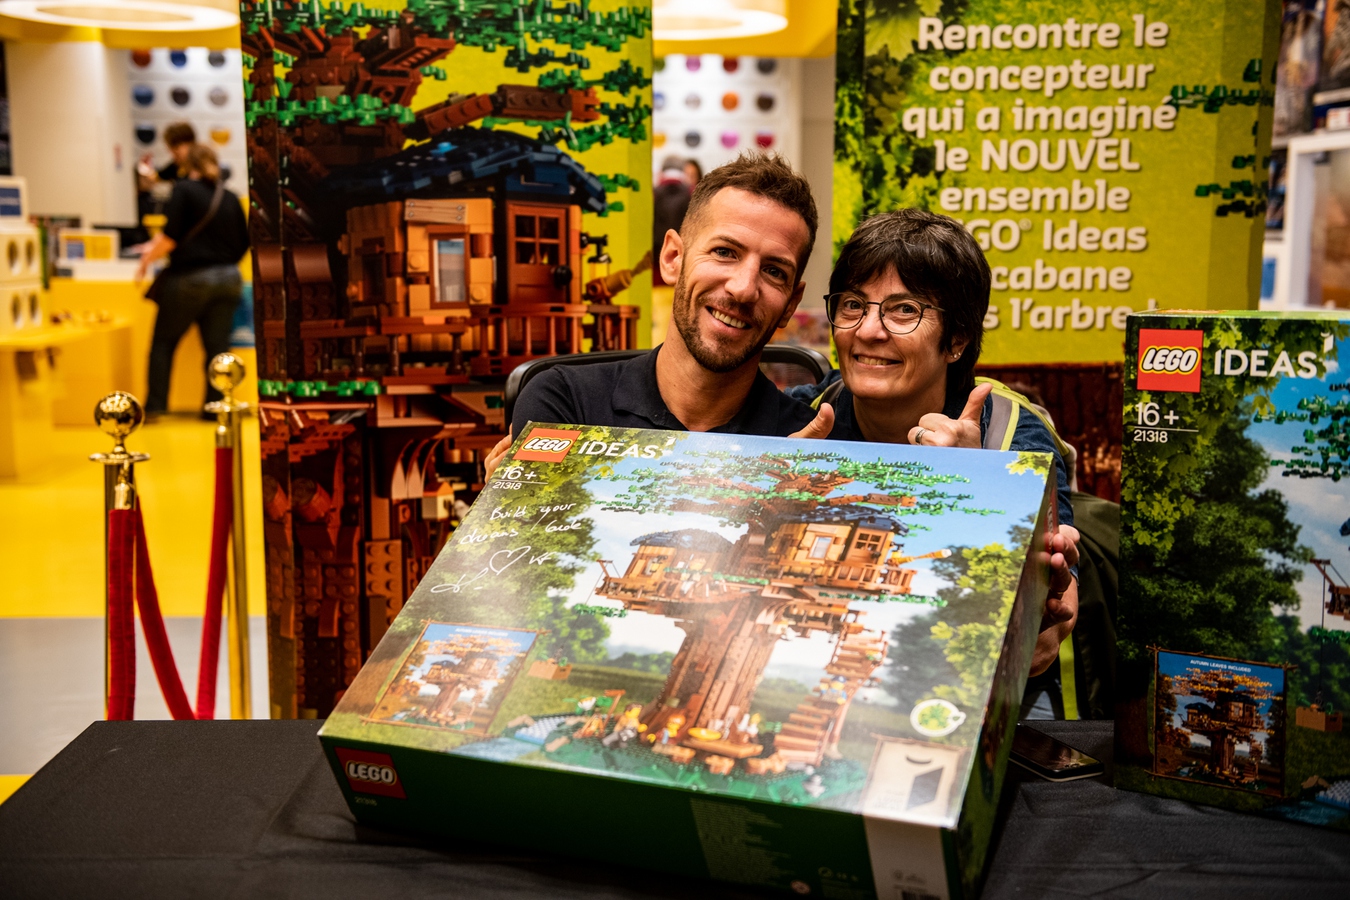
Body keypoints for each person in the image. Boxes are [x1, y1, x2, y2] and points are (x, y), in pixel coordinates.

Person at [788, 209, 1079, 680]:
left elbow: (1041, 649)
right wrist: (781, 487)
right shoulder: (802, 419)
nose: (868, 330)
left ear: (957, 339)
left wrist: (977, 496)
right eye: (853, 304)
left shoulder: (1010, 436)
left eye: (904, 310)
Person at [494, 152, 822, 467]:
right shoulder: (565, 402)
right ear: (672, 258)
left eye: (774, 271)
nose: (743, 288)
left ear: (790, 304)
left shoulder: (812, 445)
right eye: (724, 252)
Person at [135, 144, 251, 416]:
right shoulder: (231, 197)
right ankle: (215, 408)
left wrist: (146, 259)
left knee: (163, 343)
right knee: (217, 349)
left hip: (190, 279)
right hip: (229, 278)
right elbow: (245, 243)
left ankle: (155, 407)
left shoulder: (184, 190)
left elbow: (171, 237)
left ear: (188, 165)